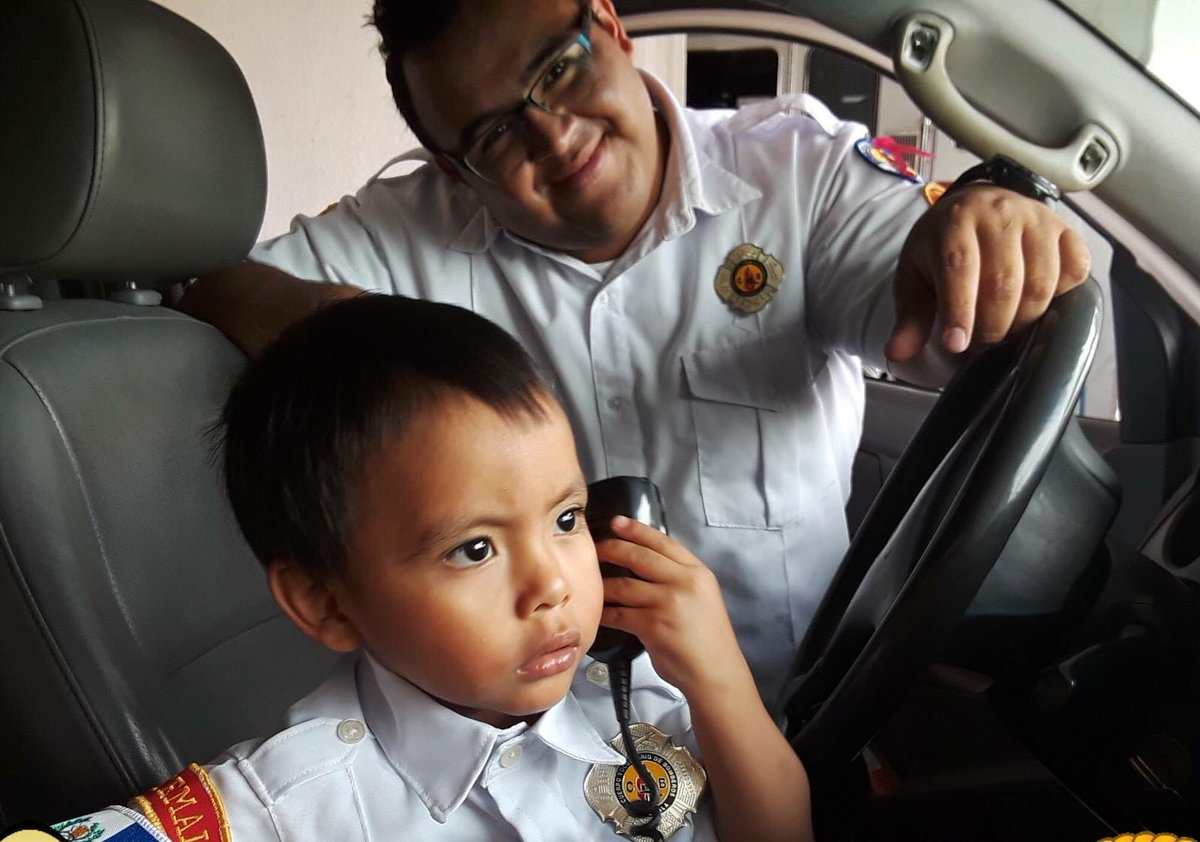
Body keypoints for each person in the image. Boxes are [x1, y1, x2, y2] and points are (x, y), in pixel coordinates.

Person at [179, 0, 1091, 708]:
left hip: (797, 713)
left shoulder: (797, 173)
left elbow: (949, 307)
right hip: (554, 761)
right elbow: (212, 287)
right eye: (494, 134)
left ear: (609, 24)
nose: (552, 133)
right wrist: (338, 327)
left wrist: (990, 216)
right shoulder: (399, 236)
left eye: (558, 69)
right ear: (453, 169)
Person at [51, 295, 812, 842]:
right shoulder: (285, 809)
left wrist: (722, 683)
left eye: (566, 518)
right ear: (325, 604)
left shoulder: (640, 687)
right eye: (474, 549)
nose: (552, 584)